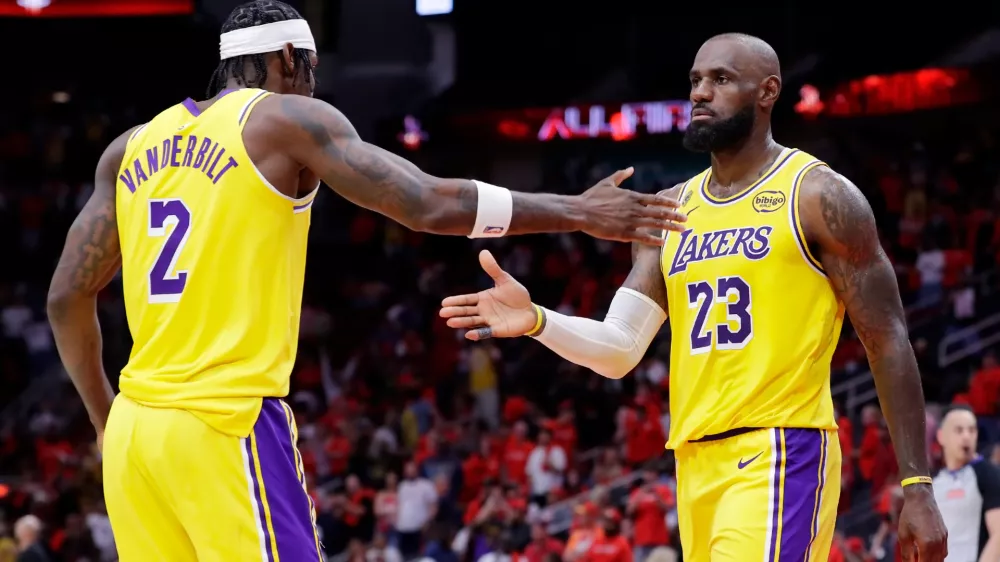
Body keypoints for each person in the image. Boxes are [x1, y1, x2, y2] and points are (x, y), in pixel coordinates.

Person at [44, 1, 687, 560]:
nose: (316, 87)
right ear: (292, 58)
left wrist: (108, 420)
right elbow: (429, 204)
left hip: (137, 434)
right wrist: (576, 210)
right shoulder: (285, 121)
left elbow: (66, 297)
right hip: (224, 419)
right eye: (313, 73)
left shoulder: (129, 148)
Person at [439, 33, 949, 561]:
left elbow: (887, 338)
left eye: (721, 79)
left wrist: (918, 486)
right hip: (693, 464)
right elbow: (619, 349)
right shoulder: (667, 210)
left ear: (767, 91)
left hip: (779, 451)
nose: (700, 93)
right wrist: (538, 320)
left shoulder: (819, 195)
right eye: (695, 81)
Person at [933, 405, 1000, 561]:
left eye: (971, 430)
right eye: (959, 430)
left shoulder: (989, 475)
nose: (966, 436)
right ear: (941, 436)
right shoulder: (935, 481)